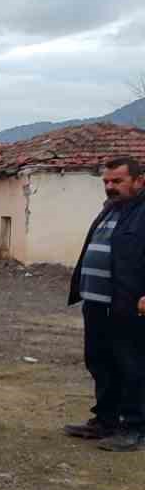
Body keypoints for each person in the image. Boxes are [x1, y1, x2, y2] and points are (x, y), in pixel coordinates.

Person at [62, 157, 145, 452]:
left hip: (129, 305)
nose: (110, 187)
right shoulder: (110, 210)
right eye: (106, 182)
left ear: (139, 180)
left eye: (117, 181)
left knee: (132, 366)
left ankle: (134, 427)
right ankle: (105, 421)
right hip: (96, 303)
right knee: (100, 362)